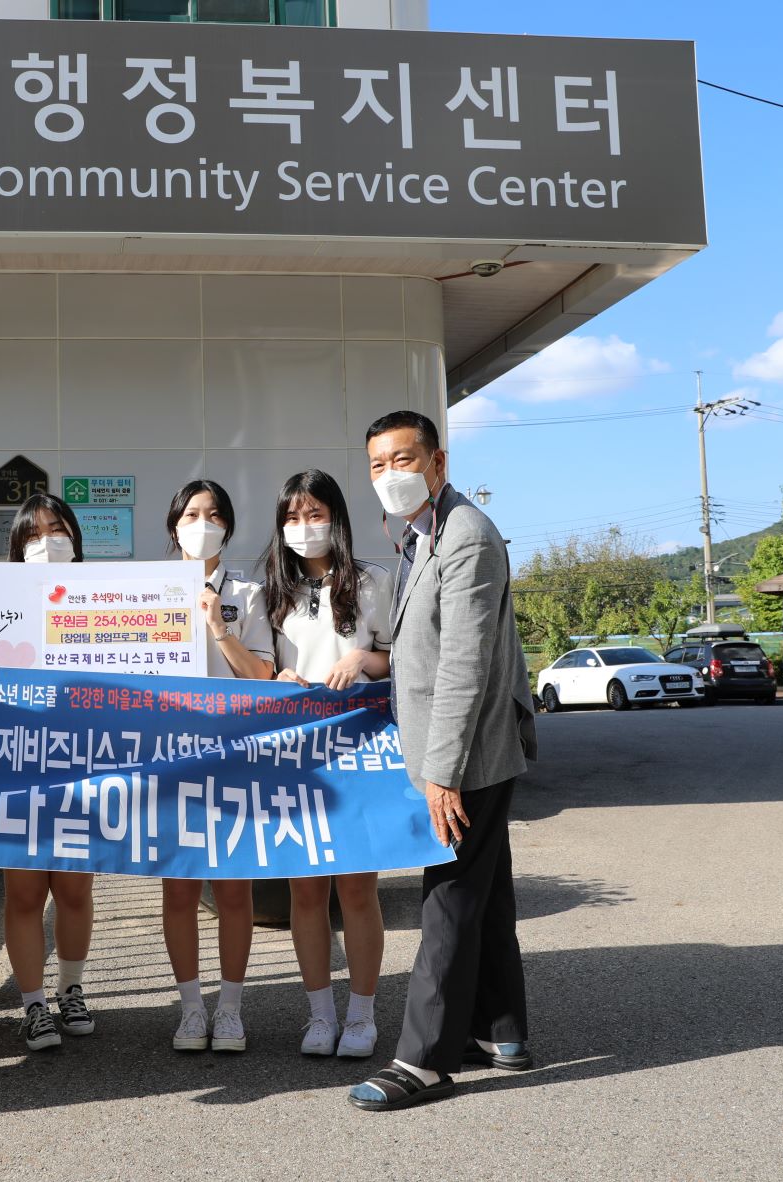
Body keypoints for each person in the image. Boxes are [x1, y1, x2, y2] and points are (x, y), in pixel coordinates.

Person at [347, 411, 539, 1113]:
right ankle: (499, 1033)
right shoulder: (421, 535)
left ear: (437, 461)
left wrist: (441, 773)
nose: (389, 475)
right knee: (483, 898)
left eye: (402, 459)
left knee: (448, 901)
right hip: (457, 751)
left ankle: (423, 1060)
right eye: (376, 464)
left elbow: (463, 663)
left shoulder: (466, 537)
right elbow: (426, 644)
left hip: (466, 757)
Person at [262, 470, 393, 1062]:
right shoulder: (273, 589)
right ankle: (319, 1014)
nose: (303, 527)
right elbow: (259, 667)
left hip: (359, 751)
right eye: (292, 517)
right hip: (293, 754)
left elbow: (399, 659)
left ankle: (362, 1015)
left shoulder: (373, 582)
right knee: (305, 893)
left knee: (357, 890)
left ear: (337, 518)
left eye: (314, 514)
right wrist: (277, 677)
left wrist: (365, 657)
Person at [159, 479, 274, 1055]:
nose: (201, 523)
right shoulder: (143, 591)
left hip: (234, 757)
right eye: (191, 514)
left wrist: (220, 630)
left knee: (233, 890)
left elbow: (263, 678)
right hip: (171, 758)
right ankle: (190, 1008)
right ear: (174, 524)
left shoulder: (248, 593)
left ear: (227, 525)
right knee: (178, 890)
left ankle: (229, 1008)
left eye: (213, 514)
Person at [2, 493, 96, 1051]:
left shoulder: (103, 598)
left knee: (76, 891)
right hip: (14, 764)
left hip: (80, 762)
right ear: (17, 548)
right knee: (23, 893)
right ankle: (33, 1003)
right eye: (34, 534)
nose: (47, 542)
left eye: (57, 529)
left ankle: (71, 989)